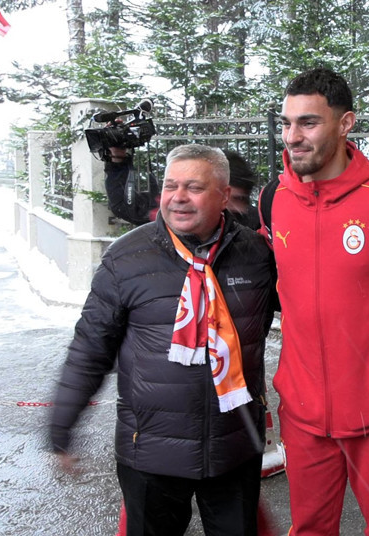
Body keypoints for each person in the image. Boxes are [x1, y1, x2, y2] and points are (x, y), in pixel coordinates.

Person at [50, 144, 277, 535]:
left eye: (194, 187)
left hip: (234, 451)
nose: (178, 197)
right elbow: (89, 350)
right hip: (150, 456)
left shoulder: (255, 255)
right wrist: (62, 425)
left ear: (224, 196)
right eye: (171, 186)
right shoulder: (127, 258)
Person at [259, 68, 369, 535]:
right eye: (285, 124)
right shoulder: (272, 199)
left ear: (346, 124)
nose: (292, 137)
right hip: (303, 416)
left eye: (308, 123)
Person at [106, 146, 261, 230]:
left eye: (240, 199)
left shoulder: (254, 225)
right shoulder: (173, 211)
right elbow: (123, 205)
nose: (235, 208)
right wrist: (118, 161)